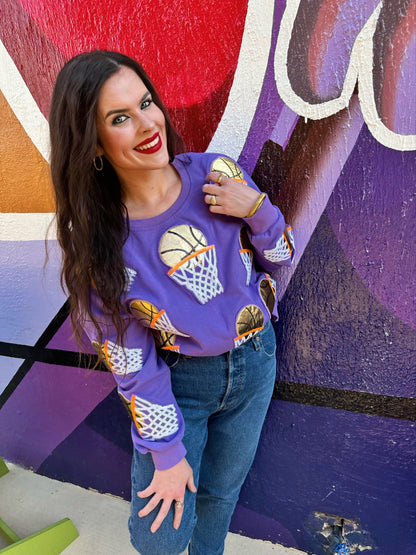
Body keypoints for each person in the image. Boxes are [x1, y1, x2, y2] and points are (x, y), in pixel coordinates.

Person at [49, 50, 295, 555]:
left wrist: (258, 210)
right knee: (159, 537)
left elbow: (281, 255)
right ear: (94, 144)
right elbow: (130, 361)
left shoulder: (216, 174)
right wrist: (165, 453)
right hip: (182, 382)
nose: (146, 124)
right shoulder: (103, 244)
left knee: (222, 495)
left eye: (145, 103)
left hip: (258, 359)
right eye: (120, 118)